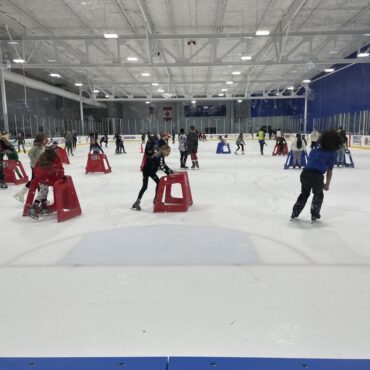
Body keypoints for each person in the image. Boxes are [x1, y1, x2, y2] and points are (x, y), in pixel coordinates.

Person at [291, 130, 342, 221]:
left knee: (304, 194)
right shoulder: (332, 154)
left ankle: (295, 212)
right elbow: (329, 171)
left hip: (304, 174)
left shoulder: (314, 151)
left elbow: (311, 162)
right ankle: (314, 214)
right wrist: (327, 184)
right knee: (318, 194)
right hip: (317, 177)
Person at [28, 141, 65, 220]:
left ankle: (43, 206)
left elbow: (36, 166)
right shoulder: (55, 156)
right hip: (47, 177)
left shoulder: (42, 155)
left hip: (40, 176)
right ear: (53, 149)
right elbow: (59, 168)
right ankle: (33, 208)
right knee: (43, 192)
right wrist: (61, 177)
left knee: (44, 190)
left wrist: (36, 175)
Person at [132, 144, 174, 211]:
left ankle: (155, 200)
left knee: (158, 183)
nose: (168, 152)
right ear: (163, 150)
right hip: (147, 171)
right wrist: (169, 173)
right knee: (145, 186)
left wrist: (170, 171)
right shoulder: (159, 156)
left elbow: (163, 165)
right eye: (167, 151)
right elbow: (162, 167)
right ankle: (139, 201)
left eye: (169, 151)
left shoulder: (160, 155)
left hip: (151, 171)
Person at [13, 132, 48, 202]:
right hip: (36, 167)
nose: (46, 139)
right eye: (45, 138)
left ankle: (21, 193)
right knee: (38, 181)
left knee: (35, 180)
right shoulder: (37, 146)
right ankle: (41, 198)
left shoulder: (41, 145)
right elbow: (30, 153)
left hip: (37, 166)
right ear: (41, 139)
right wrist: (36, 163)